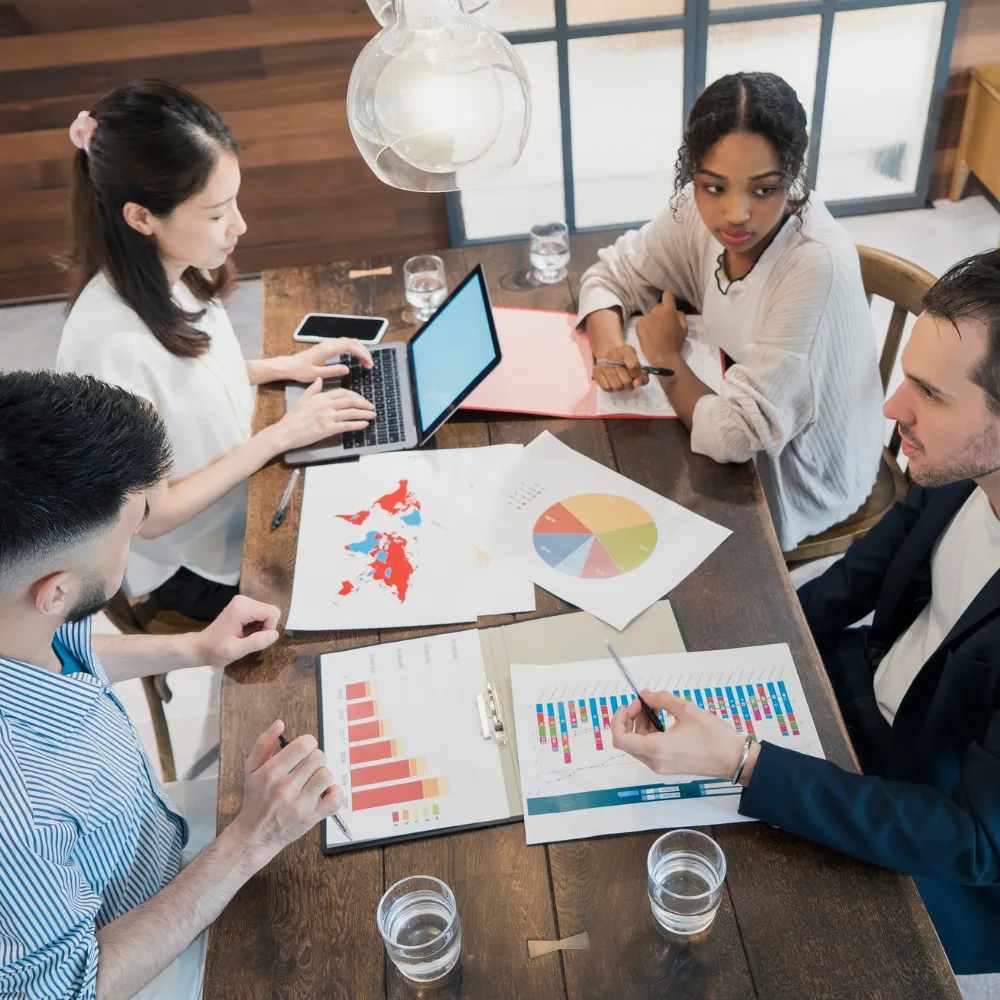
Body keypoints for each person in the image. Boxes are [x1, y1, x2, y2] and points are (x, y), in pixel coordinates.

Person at [609, 249, 1000, 985]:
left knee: (729, 946)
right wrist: (725, 658)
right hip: (869, 700)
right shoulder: (962, 467)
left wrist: (743, 760)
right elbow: (856, 579)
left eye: (930, 394)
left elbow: (975, 840)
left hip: (941, 838)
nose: (891, 409)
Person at [0, 370, 342, 1000]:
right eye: (129, 534)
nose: (133, 547)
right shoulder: (13, 813)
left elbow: (63, 656)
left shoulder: (20, 622)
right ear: (55, 593)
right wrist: (250, 840)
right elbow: (71, 986)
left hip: (160, 842)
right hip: (147, 959)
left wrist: (192, 647)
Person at [56, 80, 376, 622]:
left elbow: (187, 382)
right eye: (215, 213)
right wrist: (283, 434)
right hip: (197, 567)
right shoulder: (108, 349)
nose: (239, 225)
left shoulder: (173, 271)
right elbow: (153, 517)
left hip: (242, 503)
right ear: (141, 217)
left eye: (234, 201)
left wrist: (285, 367)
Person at [579, 72, 883, 551]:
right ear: (693, 175)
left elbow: (733, 437)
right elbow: (610, 276)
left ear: (792, 174)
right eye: (713, 186)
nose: (735, 214)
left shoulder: (813, 265)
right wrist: (610, 351)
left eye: (763, 189)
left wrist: (667, 357)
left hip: (800, 475)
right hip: (727, 394)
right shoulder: (693, 211)